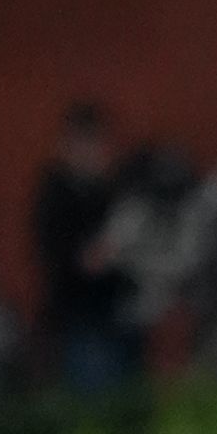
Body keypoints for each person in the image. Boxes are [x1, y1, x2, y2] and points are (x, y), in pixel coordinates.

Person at [25, 100, 142, 395]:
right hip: (81, 322)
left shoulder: (110, 191)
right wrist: (97, 255)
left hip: (119, 314)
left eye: (97, 142)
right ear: (67, 145)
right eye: (84, 143)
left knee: (127, 402)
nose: (91, 152)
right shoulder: (54, 195)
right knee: (95, 406)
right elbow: (60, 258)